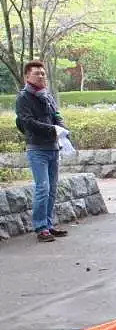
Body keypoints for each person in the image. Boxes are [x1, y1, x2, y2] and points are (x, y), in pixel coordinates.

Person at [15, 61, 69, 243]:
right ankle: (40, 227)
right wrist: (52, 130)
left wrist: (61, 129)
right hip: (37, 149)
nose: (41, 76)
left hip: (54, 148)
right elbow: (27, 122)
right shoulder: (23, 98)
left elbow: (57, 116)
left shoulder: (47, 96)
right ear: (27, 77)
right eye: (37, 73)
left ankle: (48, 224)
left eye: (43, 73)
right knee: (42, 188)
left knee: (52, 189)